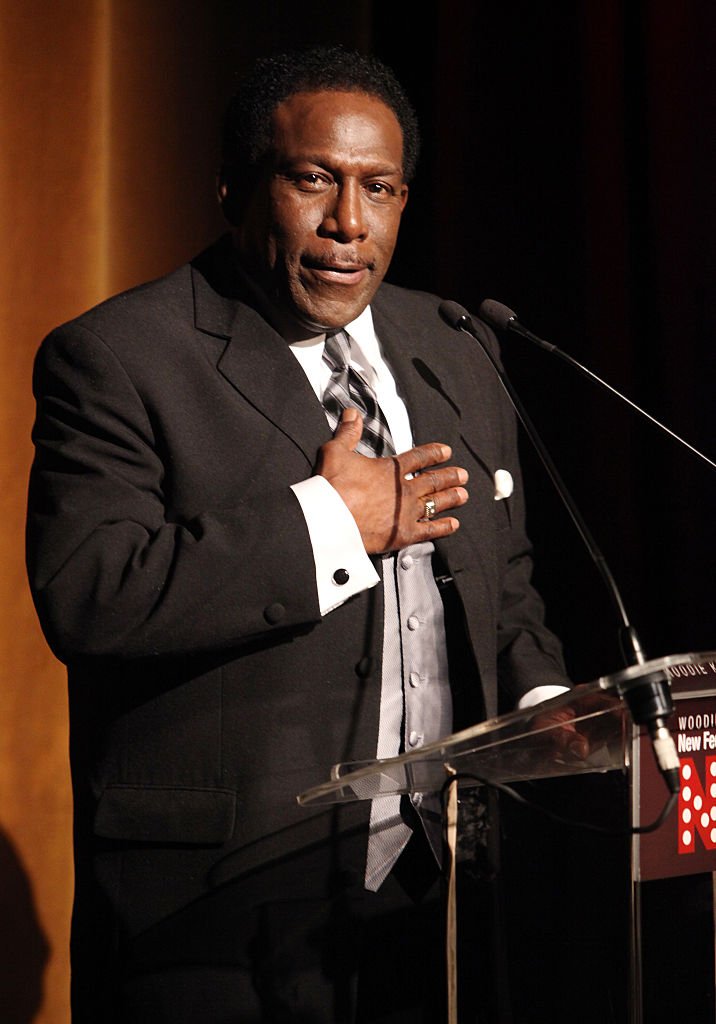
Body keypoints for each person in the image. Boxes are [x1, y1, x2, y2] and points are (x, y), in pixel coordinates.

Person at [26, 45, 572, 1023]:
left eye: (379, 188)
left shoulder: (453, 342)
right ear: (235, 186)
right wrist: (331, 519)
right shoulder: (118, 357)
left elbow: (507, 575)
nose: (347, 224)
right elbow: (88, 588)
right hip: (214, 911)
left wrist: (547, 702)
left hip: (431, 892)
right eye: (312, 179)